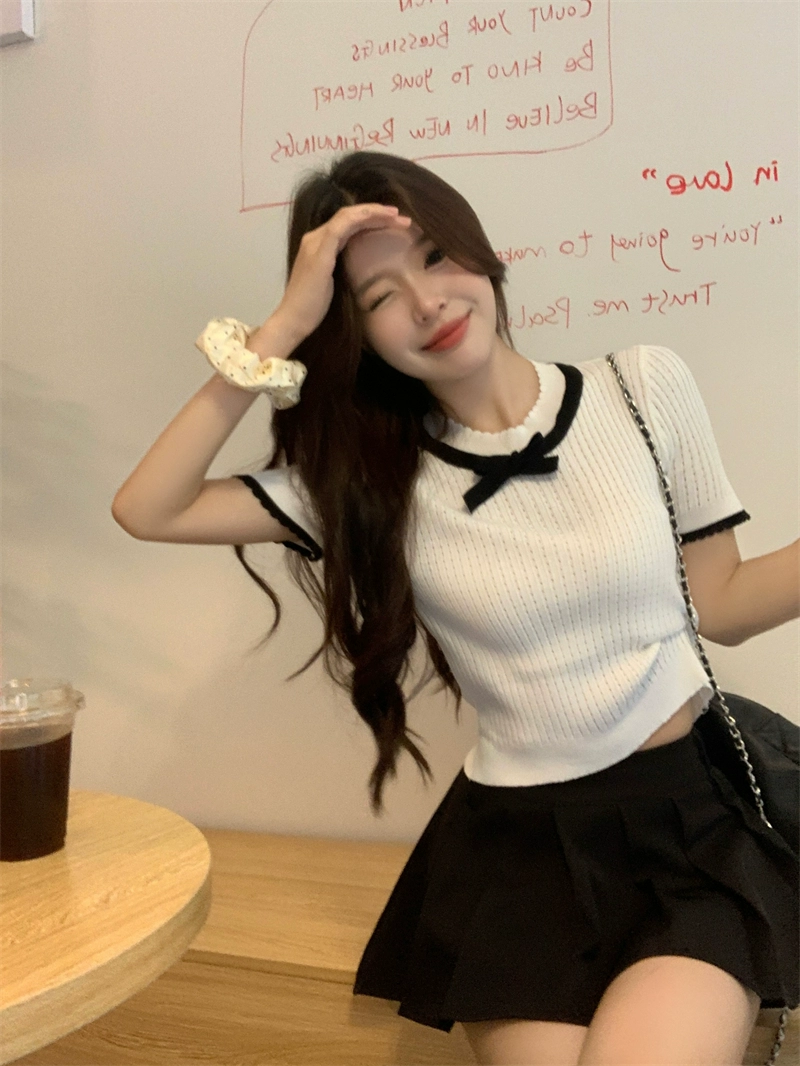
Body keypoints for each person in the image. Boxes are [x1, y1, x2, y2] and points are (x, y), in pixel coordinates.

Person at [112, 150, 799, 1065]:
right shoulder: (366, 482)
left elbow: (724, 603)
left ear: (481, 254)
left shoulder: (640, 387)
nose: (428, 302)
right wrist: (283, 326)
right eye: (380, 296)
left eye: (437, 257)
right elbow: (148, 508)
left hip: (690, 820)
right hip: (524, 848)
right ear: (354, 331)